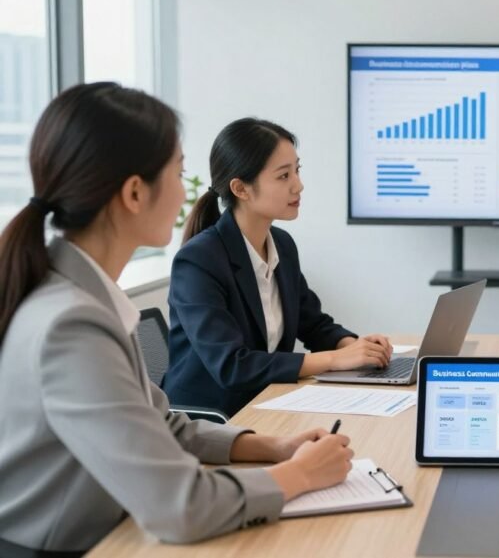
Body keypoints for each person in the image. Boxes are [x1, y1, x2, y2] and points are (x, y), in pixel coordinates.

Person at [0, 83, 354, 555]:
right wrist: (301, 474)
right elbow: (180, 506)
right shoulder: (71, 325)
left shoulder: (83, 297)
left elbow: (165, 424)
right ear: (133, 192)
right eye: (179, 171)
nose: (188, 190)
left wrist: (274, 447)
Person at [162, 118, 393, 416]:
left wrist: (358, 348)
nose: (299, 185)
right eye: (283, 176)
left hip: (268, 402)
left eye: (297, 170)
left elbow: (314, 324)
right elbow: (233, 366)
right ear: (241, 189)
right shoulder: (198, 261)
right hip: (212, 418)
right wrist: (336, 360)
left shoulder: (281, 244)